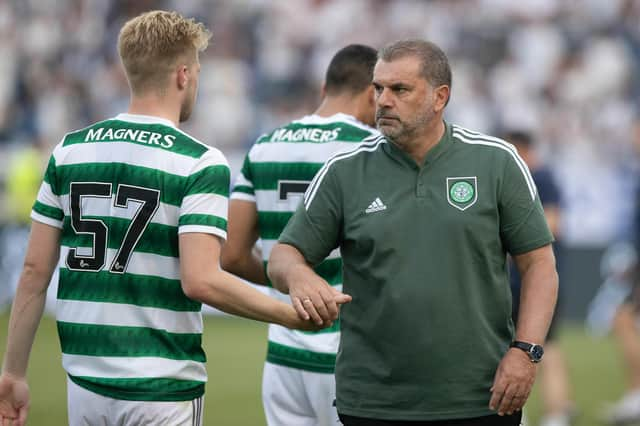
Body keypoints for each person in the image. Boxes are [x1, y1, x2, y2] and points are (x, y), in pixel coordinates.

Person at [0, 10, 340, 426]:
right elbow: (201, 280)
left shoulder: (69, 150)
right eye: (196, 70)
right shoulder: (198, 162)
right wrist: (291, 315)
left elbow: (34, 270)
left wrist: (14, 372)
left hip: (85, 380)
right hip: (161, 384)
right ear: (183, 75)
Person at [268, 39, 559, 425]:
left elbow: (539, 264)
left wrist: (525, 352)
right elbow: (283, 255)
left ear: (440, 97)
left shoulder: (496, 162)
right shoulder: (344, 171)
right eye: (377, 88)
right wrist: (300, 276)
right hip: (372, 402)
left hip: (481, 398)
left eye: (399, 89)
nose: (383, 100)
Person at [221, 44, 379, 426]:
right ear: (374, 92)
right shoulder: (372, 148)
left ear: (325, 87)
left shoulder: (265, 146)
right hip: (350, 352)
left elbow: (231, 256)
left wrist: (292, 282)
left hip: (283, 352)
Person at [505, 130, 574, 426]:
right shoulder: (515, 179)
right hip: (512, 280)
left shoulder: (543, 178)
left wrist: (510, 233)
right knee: (510, 347)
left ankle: (557, 412)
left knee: (547, 348)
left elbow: (554, 224)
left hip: (539, 280)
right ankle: (523, 410)